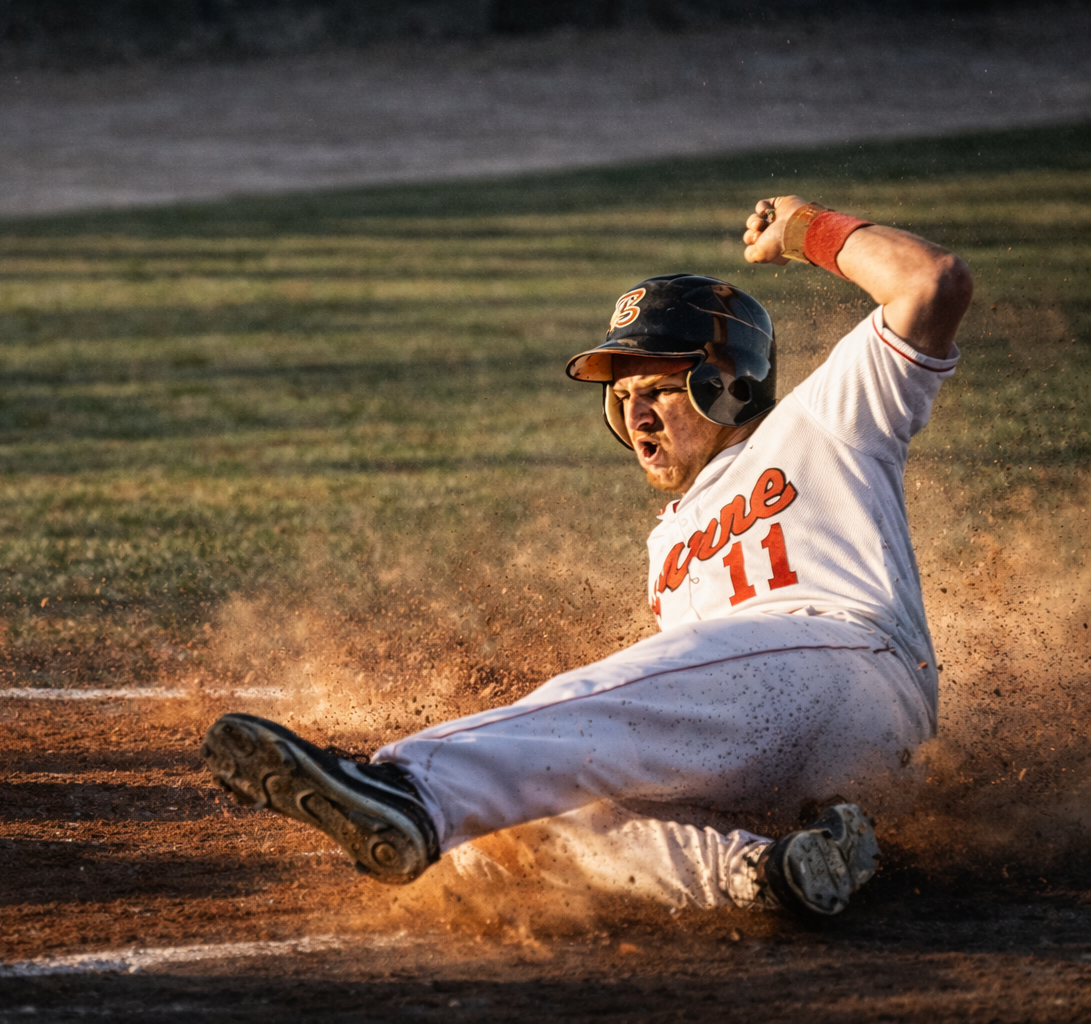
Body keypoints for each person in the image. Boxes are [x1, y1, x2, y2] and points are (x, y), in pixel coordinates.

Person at [200, 194, 972, 916]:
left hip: (847, 676)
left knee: (609, 701)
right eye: (621, 396)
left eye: (658, 388)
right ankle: (768, 874)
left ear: (726, 386)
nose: (634, 413)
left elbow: (931, 283)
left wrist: (806, 228)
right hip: (794, 766)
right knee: (510, 828)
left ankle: (407, 783)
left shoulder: (823, 421)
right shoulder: (666, 542)